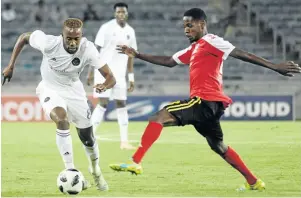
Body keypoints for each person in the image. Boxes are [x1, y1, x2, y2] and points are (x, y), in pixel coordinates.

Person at [109, 8, 301, 191]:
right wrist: (137, 54)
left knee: (158, 117)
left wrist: (275, 66)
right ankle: (254, 181)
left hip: (204, 101)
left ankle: (135, 162)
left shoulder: (212, 41)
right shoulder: (194, 48)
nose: (186, 30)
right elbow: (169, 61)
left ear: (202, 24)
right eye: (184, 26)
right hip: (210, 106)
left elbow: (242, 54)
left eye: (190, 25)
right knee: (218, 146)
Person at [2, 18, 116, 191]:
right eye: (68, 38)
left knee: (87, 138)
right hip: (49, 89)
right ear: (62, 35)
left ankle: (95, 170)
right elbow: (24, 37)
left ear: (81, 36)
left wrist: (104, 85)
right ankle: (70, 168)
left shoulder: (88, 49)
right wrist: (11, 66)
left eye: (75, 39)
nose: (72, 42)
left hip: (74, 92)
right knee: (61, 120)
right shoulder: (48, 43)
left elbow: (111, 77)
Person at [87, 2, 137, 150]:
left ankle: (124, 142)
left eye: (123, 12)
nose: (120, 14)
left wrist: (131, 77)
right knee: (103, 103)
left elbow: (131, 56)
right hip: (104, 73)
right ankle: (89, 137)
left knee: (122, 105)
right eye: (118, 12)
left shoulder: (130, 32)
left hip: (120, 75)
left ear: (126, 13)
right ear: (115, 13)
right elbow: (95, 51)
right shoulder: (106, 28)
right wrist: (90, 72)